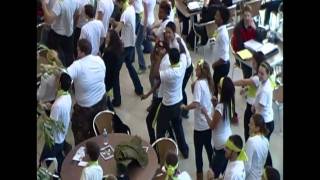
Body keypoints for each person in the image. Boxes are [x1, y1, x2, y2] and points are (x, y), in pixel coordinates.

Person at [67, 39, 107, 145]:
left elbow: (64, 79)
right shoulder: (99, 59)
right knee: (97, 126)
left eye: (77, 50)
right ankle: (96, 144)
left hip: (85, 108)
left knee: (78, 130)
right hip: (102, 100)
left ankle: (82, 150)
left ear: (81, 52)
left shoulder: (77, 65)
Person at [180, 59, 214, 180]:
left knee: (198, 152)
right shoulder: (207, 82)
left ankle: (199, 175)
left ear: (202, 71)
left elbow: (195, 103)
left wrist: (185, 107)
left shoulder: (199, 84)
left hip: (200, 126)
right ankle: (213, 170)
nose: (195, 70)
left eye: (197, 69)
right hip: (208, 123)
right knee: (209, 148)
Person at [154, 48, 189, 159]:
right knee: (178, 126)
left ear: (169, 59)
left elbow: (155, 75)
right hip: (178, 103)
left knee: (160, 130)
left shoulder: (169, 73)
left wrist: (159, 58)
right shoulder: (182, 65)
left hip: (168, 105)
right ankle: (185, 150)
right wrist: (178, 40)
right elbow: (184, 52)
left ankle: (159, 153)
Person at [201, 76, 236, 179]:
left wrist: (205, 113)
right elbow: (222, 118)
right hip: (227, 139)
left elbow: (212, 125)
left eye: (219, 87)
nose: (217, 88)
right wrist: (215, 104)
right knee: (224, 169)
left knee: (211, 174)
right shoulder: (230, 102)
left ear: (222, 90)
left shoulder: (221, 107)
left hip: (221, 146)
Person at [39, 72, 72, 176]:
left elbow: (51, 125)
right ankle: (59, 174)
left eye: (58, 80)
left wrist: (42, 111)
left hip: (53, 140)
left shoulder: (57, 105)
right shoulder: (67, 96)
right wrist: (49, 106)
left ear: (60, 84)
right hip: (61, 136)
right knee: (59, 158)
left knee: (43, 162)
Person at [112, 0, 144, 97]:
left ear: (120, 3)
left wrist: (109, 35)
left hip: (124, 46)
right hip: (131, 44)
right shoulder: (131, 8)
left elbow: (118, 29)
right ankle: (139, 88)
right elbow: (124, 24)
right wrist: (114, 22)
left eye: (117, 4)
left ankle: (117, 99)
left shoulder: (125, 13)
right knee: (130, 66)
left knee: (115, 72)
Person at [233, 52, 265, 141]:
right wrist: (246, 90)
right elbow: (253, 85)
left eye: (253, 62)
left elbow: (244, 82)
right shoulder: (258, 75)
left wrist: (232, 83)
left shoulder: (257, 77)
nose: (252, 63)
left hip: (252, 107)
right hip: (251, 104)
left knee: (248, 129)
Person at [164, 22, 193, 118]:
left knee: (181, 88)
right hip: (182, 66)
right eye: (166, 32)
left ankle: (185, 110)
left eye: (169, 32)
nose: (167, 34)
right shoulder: (171, 40)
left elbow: (182, 60)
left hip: (187, 67)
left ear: (174, 32)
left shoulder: (177, 43)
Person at [41, 0, 80, 67]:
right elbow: (77, 14)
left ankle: (59, 75)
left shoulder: (59, 3)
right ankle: (67, 74)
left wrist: (43, 5)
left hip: (57, 37)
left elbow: (48, 21)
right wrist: (72, 26)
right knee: (68, 59)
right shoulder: (75, 1)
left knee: (54, 59)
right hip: (69, 36)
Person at [252, 61, 275, 166]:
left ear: (268, 74)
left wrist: (252, 123)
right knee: (263, 146)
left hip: (266, 122)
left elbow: (259, 112)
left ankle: (269, 168)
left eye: (262, 74)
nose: (259, 75)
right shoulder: (263, 82)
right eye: (259, 73)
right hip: (265, 119)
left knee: (263, 148)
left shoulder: (266, 90)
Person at [231, 4, 257, 79]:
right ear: (242, 16)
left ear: (251, 15)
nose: (247, 18)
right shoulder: (238, 28)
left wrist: (255, 29)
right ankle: (247, 83)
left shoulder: (253, 23)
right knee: (249, 68)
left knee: (260, 63)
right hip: (240, 54)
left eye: (248, 16)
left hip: (251, 51)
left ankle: (255, 83)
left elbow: (259, 39)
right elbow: (240, 47)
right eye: (245, 16)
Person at [211, 6, 231, 97]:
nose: (215, 16)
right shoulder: (219, 30)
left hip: (221, 66)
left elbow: (224, 58)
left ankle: (217, 108)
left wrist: (214, 65)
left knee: (217, 88)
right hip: (220, 65)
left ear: (222, 20)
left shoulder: (222, 35)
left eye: (217, 15)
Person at [102, 29, 124, 107]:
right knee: (116, 84)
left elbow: (104, 64)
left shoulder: (109, 51)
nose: (106, 38)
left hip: (109, 74)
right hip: (115, 70)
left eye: (107, 37)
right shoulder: (119, 47)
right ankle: (117, 100)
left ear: (111, 39)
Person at [245, 114, 269, 180]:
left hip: (250, 177)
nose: (248, 125)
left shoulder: (251, 141)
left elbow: (247, 166)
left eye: (251, 124)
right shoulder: (266, 141)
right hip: (259, 176)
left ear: (257, 128)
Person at [135, 0, 156, 74]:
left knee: (137, 44)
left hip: (145, 23)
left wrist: (144, 30)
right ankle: (155, 63)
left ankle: (142, 66)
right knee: (149, 43)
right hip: (151, 20)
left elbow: (146, 15)